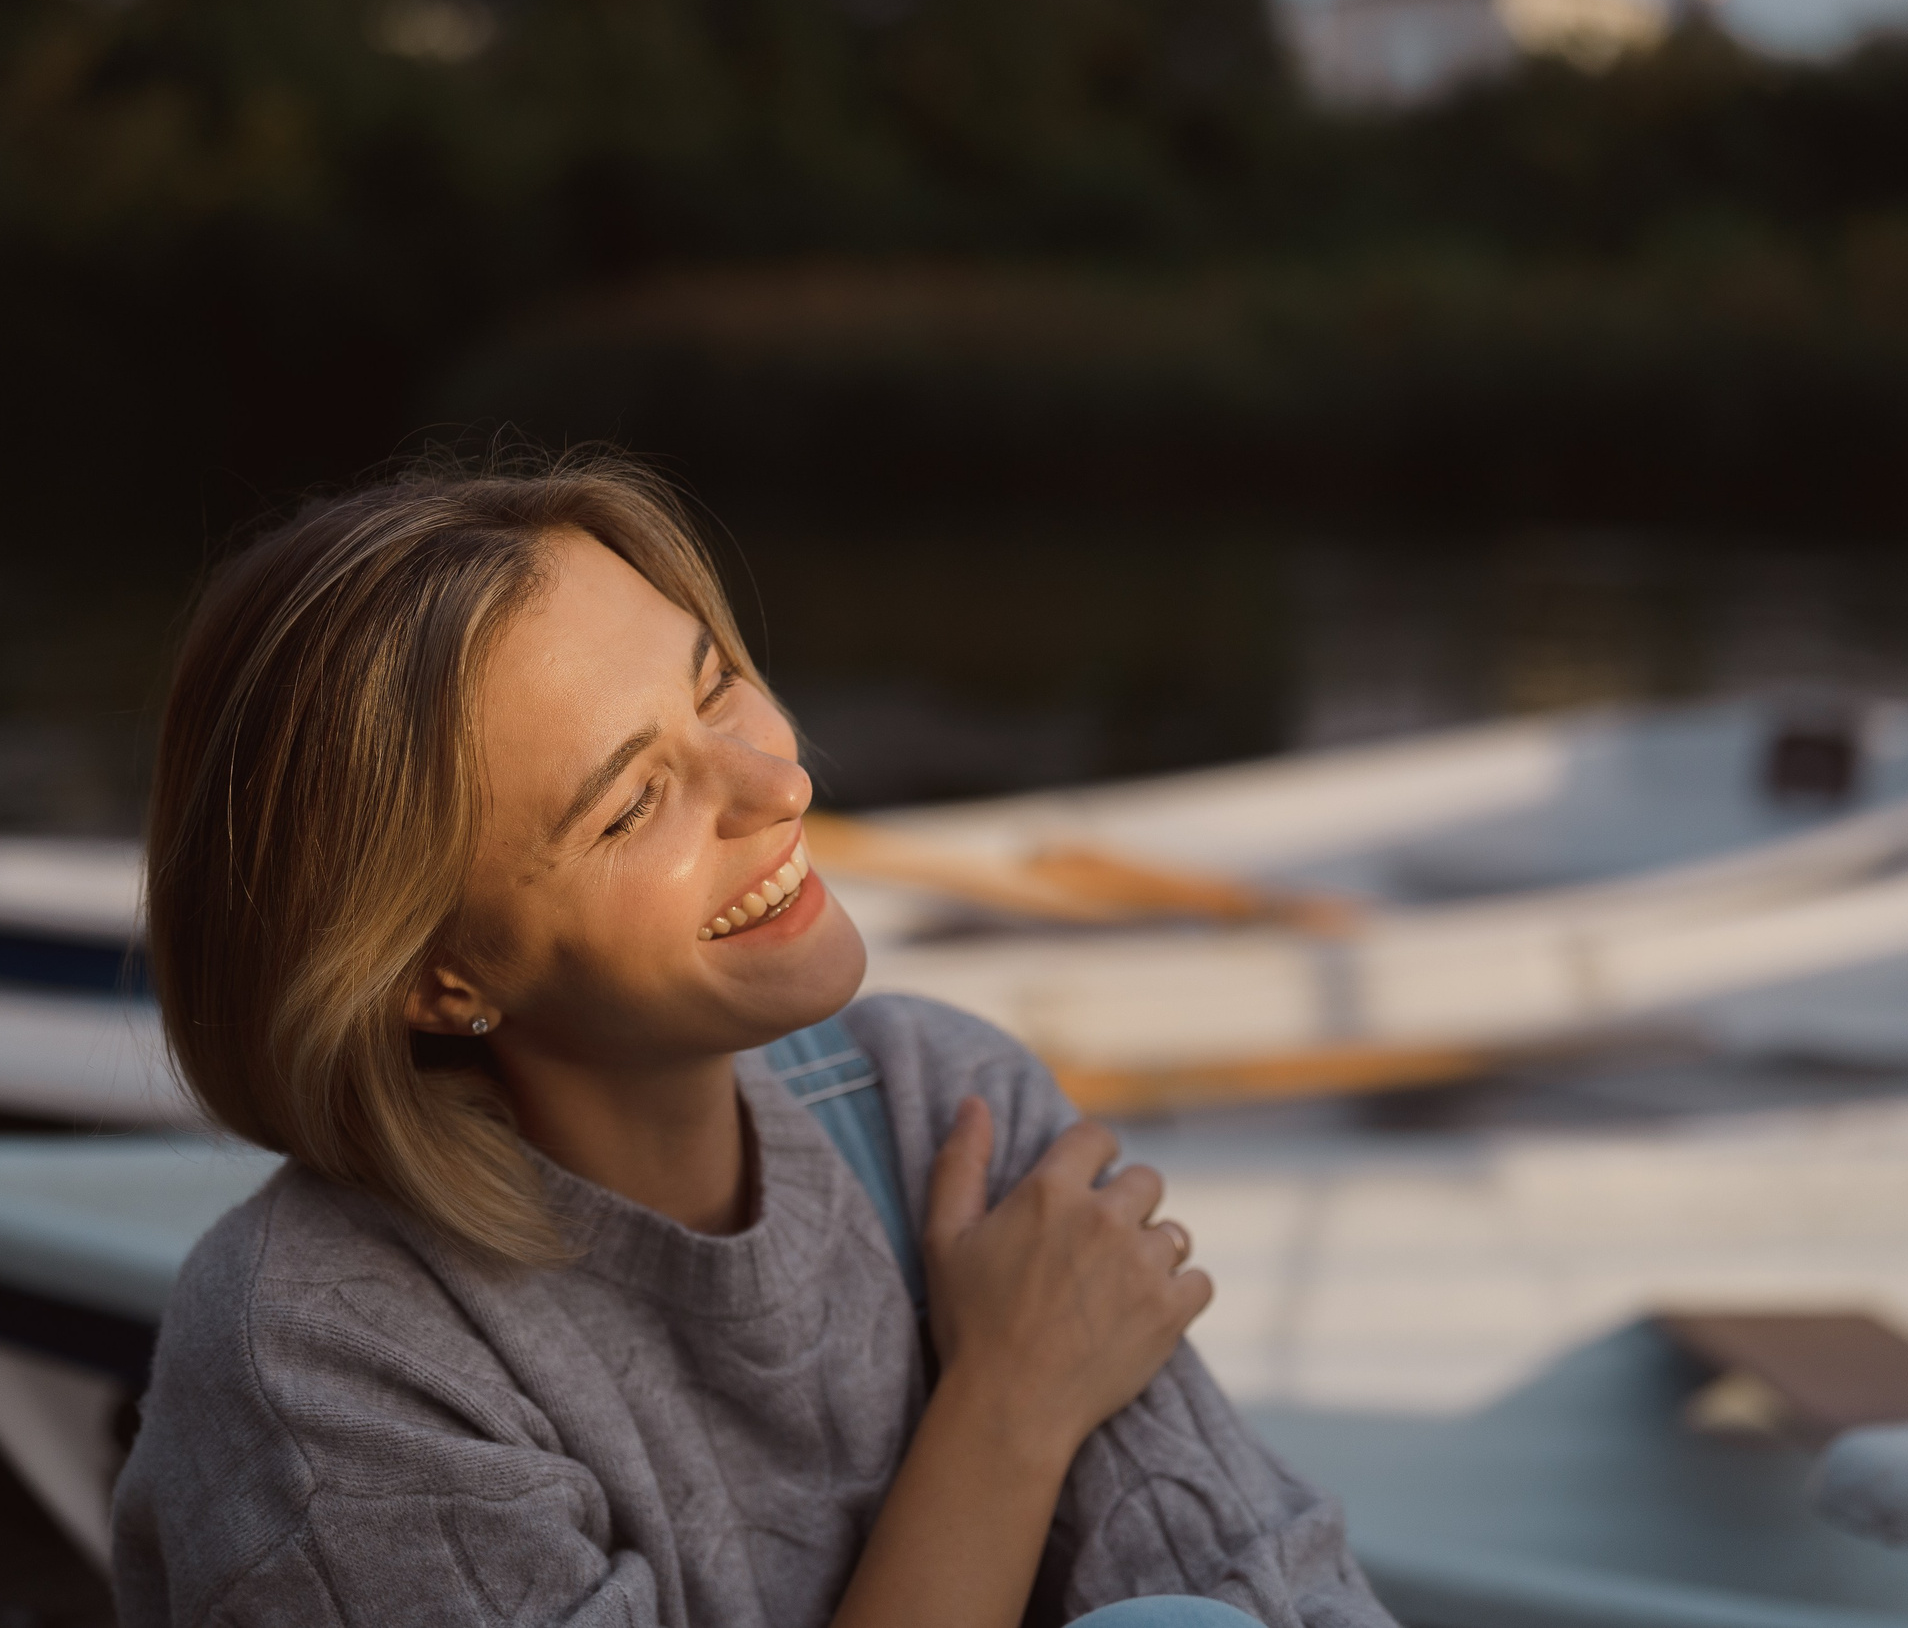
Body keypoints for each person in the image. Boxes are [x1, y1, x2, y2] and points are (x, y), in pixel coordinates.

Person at [114, 457, 1393, 1628]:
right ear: (436, 982)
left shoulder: (940, 1110)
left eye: (714, 682)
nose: (777, 787)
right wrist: (1008, 1407)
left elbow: (1279, 1593)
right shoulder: (321, 1359)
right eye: (633, 805)